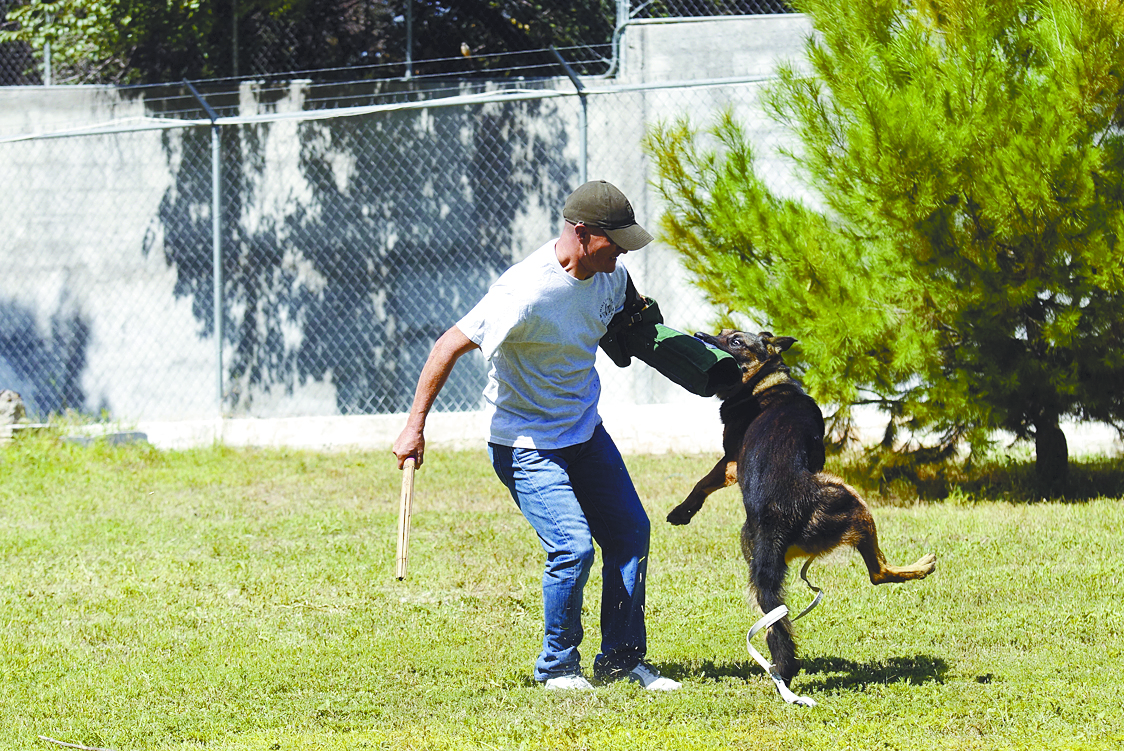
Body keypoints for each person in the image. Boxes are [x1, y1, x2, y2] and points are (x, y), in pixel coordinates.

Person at [392, 180, 681, 692]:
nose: (622, 252)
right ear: (582, 233)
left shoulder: (611, 275)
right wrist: (414, 427)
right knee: (573, 548)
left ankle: (620, 660)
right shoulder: (524, 291)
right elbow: (447, 346)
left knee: (630, 534)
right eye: (615, 241)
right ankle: (558, 668)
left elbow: (632, 311)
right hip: (526, 444)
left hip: (585, 433)